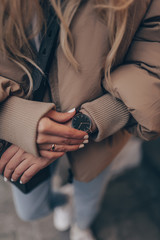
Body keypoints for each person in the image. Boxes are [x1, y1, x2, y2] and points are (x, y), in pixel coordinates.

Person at [0, 0, 160, 239]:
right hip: (17, 134)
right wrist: (10, 116)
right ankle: (64, 199)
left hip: (100, 131)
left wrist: (102, 115)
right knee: (30, 211)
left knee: (89, 197)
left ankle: (82, 224)